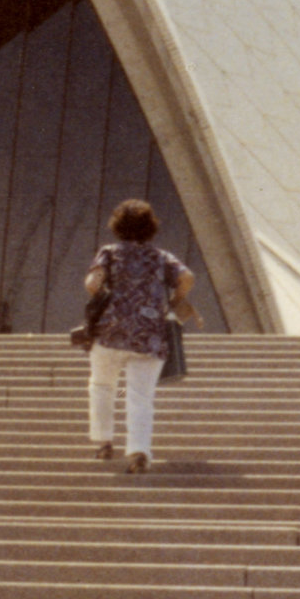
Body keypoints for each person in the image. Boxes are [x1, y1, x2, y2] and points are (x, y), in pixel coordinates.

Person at [84, 199, 198, 473]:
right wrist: (174, 300)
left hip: (111, 333)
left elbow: (92, 283)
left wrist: (106, 300)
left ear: (117, 226)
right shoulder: (161, 257)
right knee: (140, 396)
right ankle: (138, 450)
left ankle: (103, 442)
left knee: (102, 386)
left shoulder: (109, 253)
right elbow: (188, 277)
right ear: (150, 228)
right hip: (150, 336)